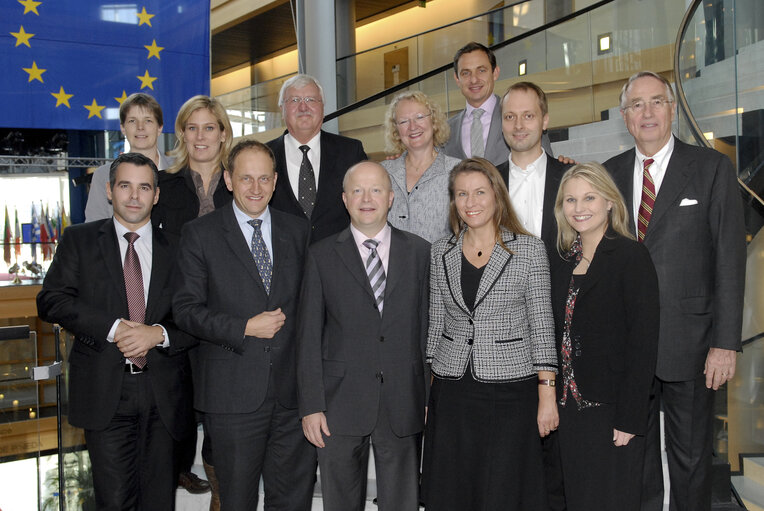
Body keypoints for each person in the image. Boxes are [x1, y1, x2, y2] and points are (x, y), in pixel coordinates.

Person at [604, 70, 746, 511]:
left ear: (671, 110)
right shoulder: (607, 175)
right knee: (635, 457)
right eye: (636, 106)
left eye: (656, 102)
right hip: (628, 348)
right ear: (625, 118)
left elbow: (729, 260)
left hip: (692, 344)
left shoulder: (710, 168)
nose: (647, 113)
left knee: (690, 459)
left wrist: (725, 343)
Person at [37, 153, 196, 509]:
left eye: (144, 187)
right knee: (115, 502)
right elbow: (50, 301)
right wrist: (113, 328)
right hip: (105, 393)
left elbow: (197, 316)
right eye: (125, 186)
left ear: (156, 195)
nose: (134, 196)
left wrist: (159, 334)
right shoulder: (78, 240)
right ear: (110, 191)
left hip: (164, 396)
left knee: (159, 502)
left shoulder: (181, 246)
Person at [173, 139, 315, 510]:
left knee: (293, 501)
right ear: (229, 180)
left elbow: (312, 309)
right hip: (231, 397)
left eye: (264, 179)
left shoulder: (298, 231)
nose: (256, 188)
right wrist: (244, 327)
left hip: (292, 396)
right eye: (246, 178)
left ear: (275, 181)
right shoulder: (199, 234)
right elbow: (185, 310)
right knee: (236, 501)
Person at [422, 157, 558, 511]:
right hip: (453, 391)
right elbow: (436, 324)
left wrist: (547, 395)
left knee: (504, 487)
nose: (471, 202)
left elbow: (542, 326)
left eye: (480, 192)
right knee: (455, 486)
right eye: (462, 194)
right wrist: (426, 389)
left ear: (497, 195)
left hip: (510, 391)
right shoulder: (440, 252)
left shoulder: (529, 250)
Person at [297, 161, 430, 510]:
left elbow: (426, 329)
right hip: (338, 402)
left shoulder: (420, 252)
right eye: (357, 190)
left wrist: (429, 395)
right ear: (344, 199)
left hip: (403, 398)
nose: (366, 198)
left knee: (402, 502)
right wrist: (311, 405)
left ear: (390, 198)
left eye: (375, 190)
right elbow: (308, 336)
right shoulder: (321, 255)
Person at [549, 162, 659, 510]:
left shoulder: (631, 256)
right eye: (570, 200)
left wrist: (630, 418)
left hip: (611, 412)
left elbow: (642, 344)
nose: (579, 208)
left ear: (610, 202)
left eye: (589, 197)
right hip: (568, 412)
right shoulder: (562, 261)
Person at [267, 74, 367, 243]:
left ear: (322, 107)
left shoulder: (350, 151)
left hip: (339, 260)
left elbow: (367, 203)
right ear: (281, 109)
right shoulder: (264, 155)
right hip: (282, 262)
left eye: (311, 100)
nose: (303, 107)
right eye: (294, 100)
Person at [443, 42, 553, 166]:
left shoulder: (520, 118)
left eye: (481, 70)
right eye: (466, 73)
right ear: (457, 79)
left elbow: (546, 166)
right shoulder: (446, 130)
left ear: (495, 73)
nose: (474, 79)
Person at [497, 81, 569, 253]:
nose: (518, 125)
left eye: (528, 116)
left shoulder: (570, 177)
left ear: (544, 121)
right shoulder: (489, 181)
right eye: (510, 116)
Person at [380, 91, 460, 242]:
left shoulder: (457, 171)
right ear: (396, 130)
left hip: (438, 264)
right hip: (392, 264)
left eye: (419, 117)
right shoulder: (383, 173)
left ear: (433, 121)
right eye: (404, 121)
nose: (412, 126)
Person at [151, 95, 233, 236]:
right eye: (192, 128)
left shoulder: (241, 184)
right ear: (183, 134)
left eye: (209, 128)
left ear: (223, 134)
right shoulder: (162, 184)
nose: (200, 136)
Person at [85, 93, 173, 222]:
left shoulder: (180, 170)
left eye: (148, 121)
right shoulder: (103, 175)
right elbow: (94, 229)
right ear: (123, 128)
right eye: (132, 121)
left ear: (160, 128)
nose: (140, 127)